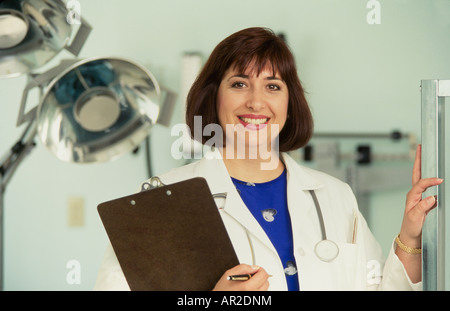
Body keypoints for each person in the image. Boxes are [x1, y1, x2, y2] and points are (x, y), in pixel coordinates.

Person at [94, 27, 443, 291]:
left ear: (290, 104)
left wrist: (410, 237)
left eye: (273, 86)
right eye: (239, 84)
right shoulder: (163, 200)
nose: (256, 102)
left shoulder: (335, 197)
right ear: (213, 98)